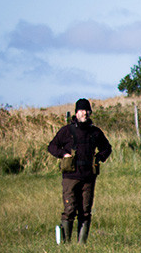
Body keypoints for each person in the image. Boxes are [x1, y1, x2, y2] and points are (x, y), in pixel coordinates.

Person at [48, 98, 113, 244]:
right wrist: (63, 154)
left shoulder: (95, 132)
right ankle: (65, 243)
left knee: (85, 211)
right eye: (82, 110)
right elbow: (52, 147)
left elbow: (107, 148)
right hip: (70, 176)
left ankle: (82, 244)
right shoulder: (66, 131)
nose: (85, 113)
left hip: (88, 177)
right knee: (70, 209)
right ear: (76, 113)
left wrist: (99, 158)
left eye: (87, 110)